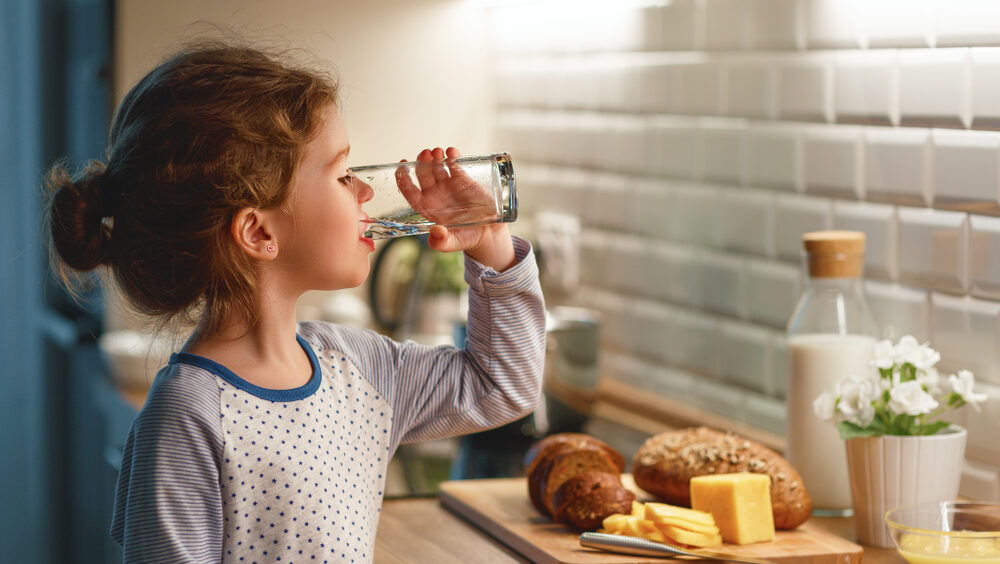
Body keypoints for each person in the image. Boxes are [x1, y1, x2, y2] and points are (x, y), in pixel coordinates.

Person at [44, 40, 545, 563]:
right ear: (260, 232)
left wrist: (490, 243)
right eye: (342, 175)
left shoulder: (359, 367)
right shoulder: (187, 419)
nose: (365, 191)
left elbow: (501, 386)